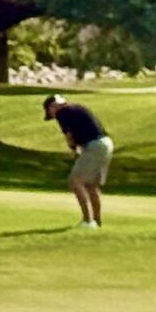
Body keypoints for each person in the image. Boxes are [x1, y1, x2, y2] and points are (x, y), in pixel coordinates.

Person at [43, 93, 113, 227]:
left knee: (75, 182)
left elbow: (69, 136)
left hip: (94, 146)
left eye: (50, 112)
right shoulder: (76, 108)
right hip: (106, 143)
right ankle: (97, 222)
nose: (52, 116)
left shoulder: (62, 112)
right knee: (92, 185)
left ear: (53, 107)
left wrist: (74, 149)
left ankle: (88, 221)